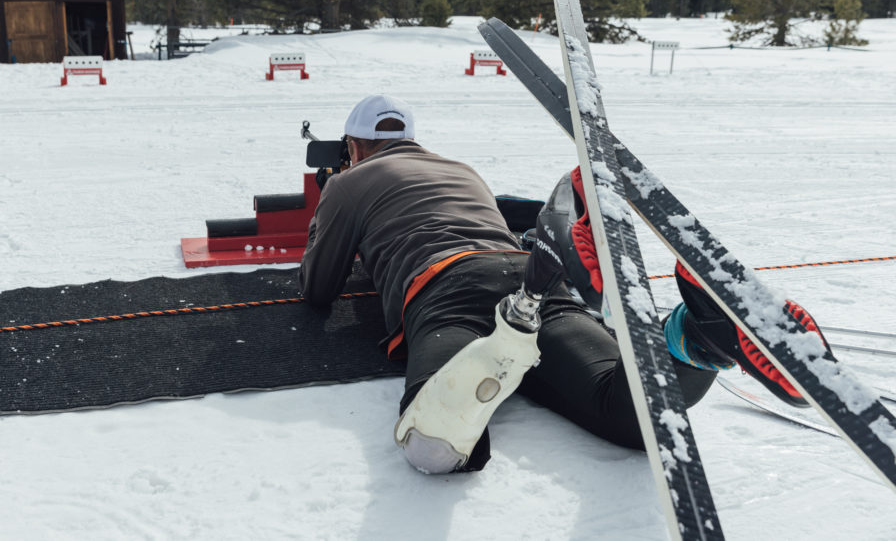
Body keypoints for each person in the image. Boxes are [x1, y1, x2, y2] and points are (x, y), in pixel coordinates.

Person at [299, 94, 830, 475]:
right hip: (531, 272)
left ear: (352, 145)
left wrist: (332, 210)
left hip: (448, 291)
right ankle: (697, 337)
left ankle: (497, 355)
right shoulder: (460, 168)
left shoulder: (349, 181)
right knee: (633, 416)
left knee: (433, 447)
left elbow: (318, 287)